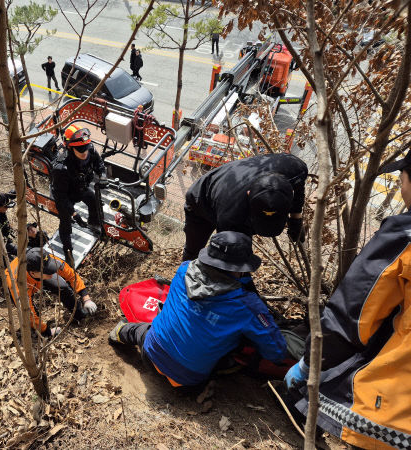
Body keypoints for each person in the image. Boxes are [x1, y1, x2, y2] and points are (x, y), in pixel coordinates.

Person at [284, 151, 411, 450]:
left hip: (398, 395)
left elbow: (355, 314)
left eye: (402, 178)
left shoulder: (404, 235)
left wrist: (309, 364)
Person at [109, 231, 288, 387]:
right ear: (241, 268)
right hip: (187, 379)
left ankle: (117, 333)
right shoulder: (247, 305)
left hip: (151, 350)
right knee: (234, 353)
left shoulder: (185, 269)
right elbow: (277, 353)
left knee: (140, 330)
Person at [182, 153, 308, 261]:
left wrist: (296, 219)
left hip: (233, 199)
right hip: (201, 202)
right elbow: (229, 257)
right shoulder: (232, 216)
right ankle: (183, 282)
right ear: (249, 195)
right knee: (193, 253)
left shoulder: (296, 169)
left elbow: (298, 188)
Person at [6, 247, 98, 337]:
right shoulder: (18, 285)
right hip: (19, 283)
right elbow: (29, 313)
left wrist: (86, 297)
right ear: (33, 273)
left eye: (52, 268)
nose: (52, 272)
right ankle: (39, 332)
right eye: (48, 271)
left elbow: (71, 275)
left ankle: (79, 314)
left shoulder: (45, 258)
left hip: (37, 274)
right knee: (30, 312)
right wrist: (46, 331)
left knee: (62, 287)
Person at [51, 124, 106, 267]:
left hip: (80, 187)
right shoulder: (61, 168)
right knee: (65, 223)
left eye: (86, 149)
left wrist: (102, 174)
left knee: (93, 200)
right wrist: (74, 213)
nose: (84, 153)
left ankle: (94, 222)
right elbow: (60, 196)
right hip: (64, 194)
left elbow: (99, 162)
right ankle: (68, 251)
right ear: (70, 148)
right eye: (80, 151)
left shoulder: (90, 149)